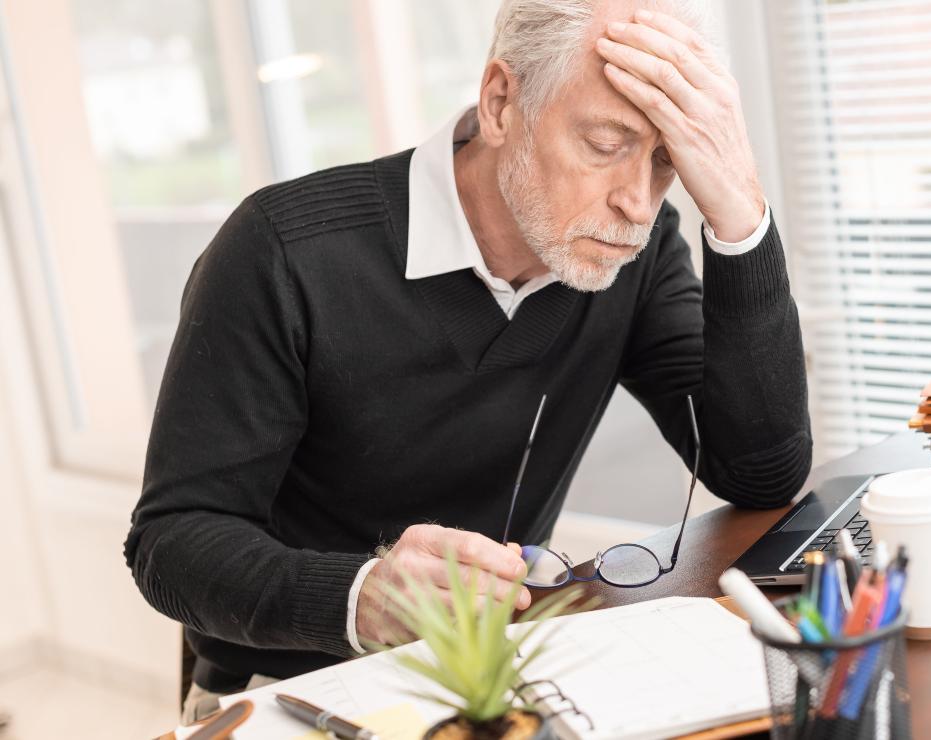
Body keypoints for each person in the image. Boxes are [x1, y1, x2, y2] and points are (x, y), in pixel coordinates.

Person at [125, 0, 811, 721]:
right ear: (500, 102)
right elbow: (170, 543)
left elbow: (759, 472)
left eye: (669, 160)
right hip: (289, 684)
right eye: (607, 144)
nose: (637, 203)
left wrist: (739, 217)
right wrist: (362, 597)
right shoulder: (284, 251)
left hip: (493, 671)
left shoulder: (632, 253)